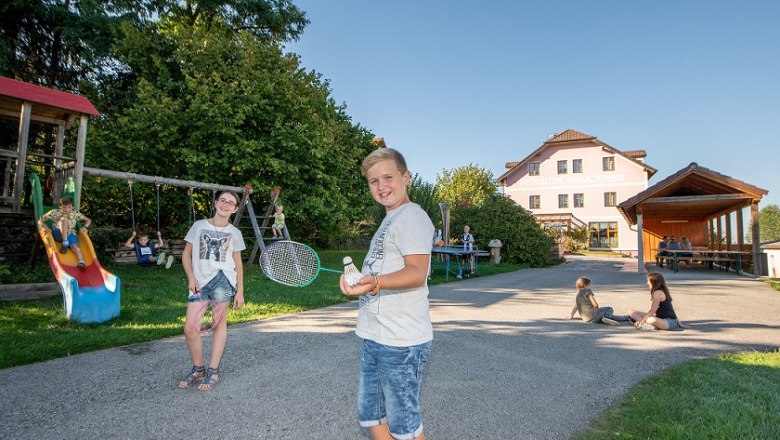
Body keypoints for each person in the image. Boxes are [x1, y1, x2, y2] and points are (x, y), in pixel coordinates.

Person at [339, 147, 434, 440]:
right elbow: (380, 271)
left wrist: (375, 282)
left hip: (402, 342)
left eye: (388, 177)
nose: (382, 186)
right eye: (373, 181)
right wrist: (357, 283)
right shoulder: (390, 219)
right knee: (371, 415)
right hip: (375, 336)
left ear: (406, 177)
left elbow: (417, 272)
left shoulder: (412, 217)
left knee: (404, 425)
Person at [178, 191, 246, 391]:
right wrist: (191, 278)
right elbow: (186, 254)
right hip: (200, 281)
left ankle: (213, 370)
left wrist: (240, 291)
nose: (225, 205)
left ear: (235, 209)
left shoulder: (235, 233)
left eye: (230, 203)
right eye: (222, 200)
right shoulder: (199, 226)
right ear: (216, 203)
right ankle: (198, 369)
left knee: (218, 324)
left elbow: (238, 264)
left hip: (223, 280)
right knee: (190, 327)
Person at [37, 196, 91, 270]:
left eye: (69, 207)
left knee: (75, 247)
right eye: (64, 207)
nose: (66, 209)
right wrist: (45, 227)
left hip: (71, 234)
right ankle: (65, 243)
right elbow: (40, 221)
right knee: (64, 220)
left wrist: (85, 227)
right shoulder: (54, 212)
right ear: (60, 206)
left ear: (72, 207)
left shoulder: (75, 213)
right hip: (58, 234)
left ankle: (81, 262)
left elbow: (88, 220)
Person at [565, 276, 631, 326]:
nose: (591, 286)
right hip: (594, 315)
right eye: (590, 285)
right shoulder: (587, 291)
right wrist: (596, 309)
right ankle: (606, 318)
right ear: (585, 285)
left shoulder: (578, 294)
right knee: (609, 309)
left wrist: (571, 316)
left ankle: (627, 317)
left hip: (587, 319)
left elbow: (576, 306)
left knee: (612, 316)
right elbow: (595, 304)